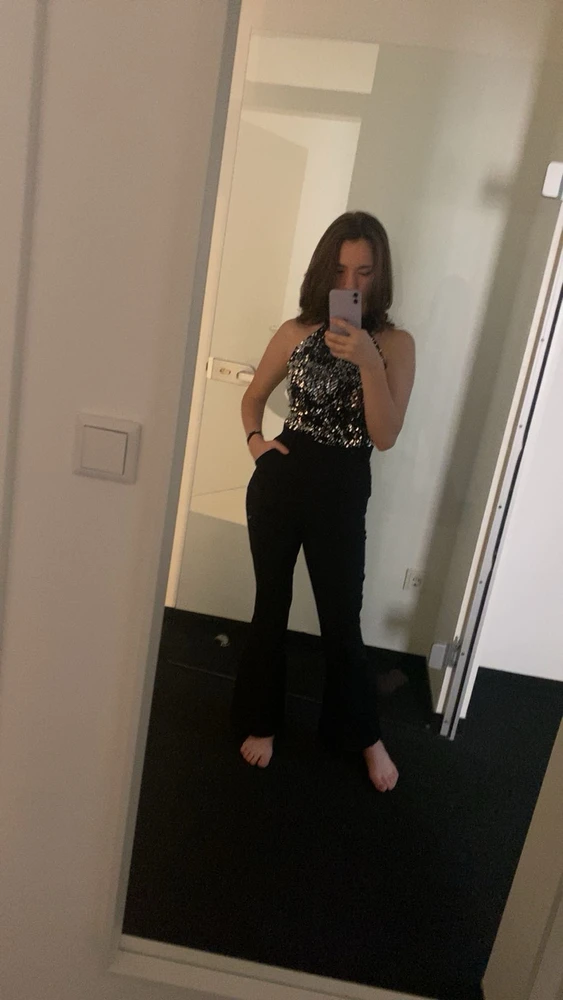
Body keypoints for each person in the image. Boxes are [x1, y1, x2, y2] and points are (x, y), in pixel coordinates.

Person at [231, 211, 415, 792]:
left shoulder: (395, 344)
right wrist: (257, 444)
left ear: (381, 274)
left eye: (364, 271)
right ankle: (262, 721)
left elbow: (384, 436)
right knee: (271, 605)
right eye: (339, 271)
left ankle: (363, 734)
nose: (351, 283)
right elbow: (252, 397)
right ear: (322, 271)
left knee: (341, 622)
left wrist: (368, 361)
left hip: (342, 491)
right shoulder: (296, 330)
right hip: (281, 483)